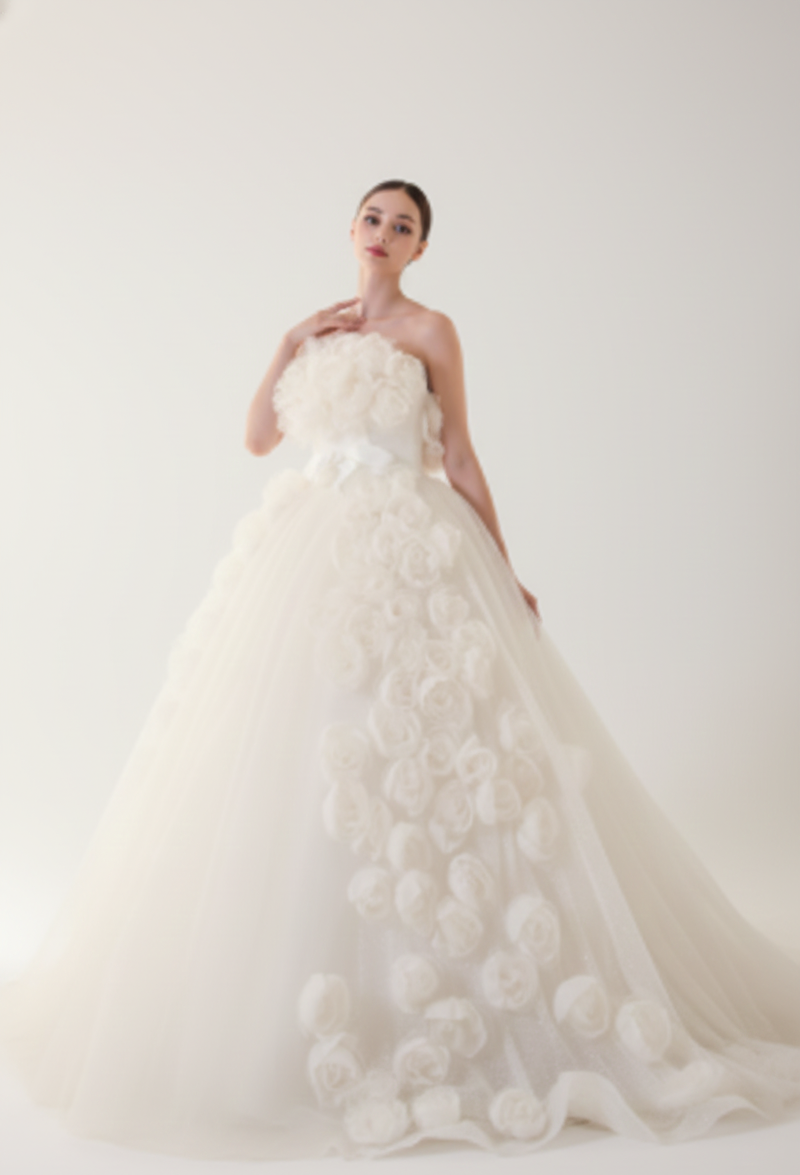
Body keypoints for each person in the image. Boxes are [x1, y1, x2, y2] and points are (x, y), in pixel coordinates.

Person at [0, 179, 798, 1161]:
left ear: (421, 248)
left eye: (404, 225)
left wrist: (503, 567)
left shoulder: (432, 331)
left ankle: (446, 991)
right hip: (307, 552)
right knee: (297, 751)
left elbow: (457, 453)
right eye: (373, 218)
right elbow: (258, 439)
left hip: (406, 545)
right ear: (351, 230)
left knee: (426, 754)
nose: (384, 233)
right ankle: (280, 1011)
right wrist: (288, 341)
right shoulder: (319, 332)